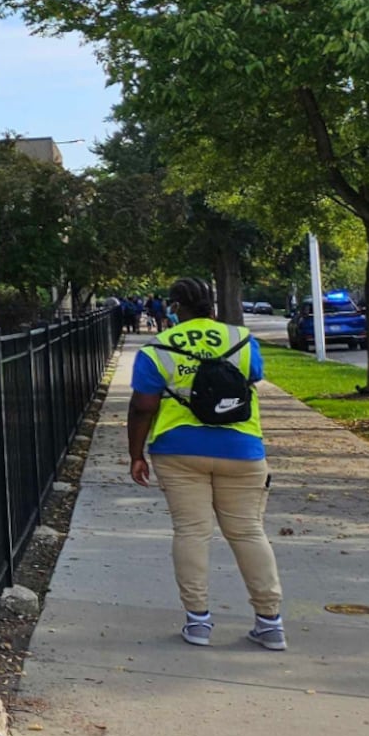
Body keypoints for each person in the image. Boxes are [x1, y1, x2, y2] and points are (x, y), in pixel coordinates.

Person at [127, 277, 284, 649]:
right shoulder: (242, 340)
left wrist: (136, 454)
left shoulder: (158, 348)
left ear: (175, 306)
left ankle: (198, 623)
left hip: (178, 451)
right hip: (242, 448)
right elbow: (252, 378)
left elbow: (143, 406)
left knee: (191, 532)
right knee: (248, 532)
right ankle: (270, 622)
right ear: (212, 305)